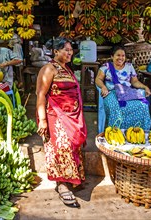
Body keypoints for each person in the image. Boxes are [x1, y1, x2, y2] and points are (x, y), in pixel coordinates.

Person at [36, 37, 87, 208]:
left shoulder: (67, 69)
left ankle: (70, 179)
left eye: (71, 50)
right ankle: (62, 184)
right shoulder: (49, 69)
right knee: (60, 150)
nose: (69, 53)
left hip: (71, 117)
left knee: (71, 149)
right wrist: (42, 119)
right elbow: (41, 94)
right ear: (56, 51)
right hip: (55, 117)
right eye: (66, 49)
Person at [95, 45, 151, 131]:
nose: (120, 58)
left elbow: (135, 81)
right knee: (114, 107)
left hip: (127, 93)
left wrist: (145, 87)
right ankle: (115, 133)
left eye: (123, 56)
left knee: (143, 106)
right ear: (112, 56)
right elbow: (98, 79)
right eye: (118, 55)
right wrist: (103, 87)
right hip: (111, 93)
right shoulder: (106, 67)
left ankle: (138, 132)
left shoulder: (129, 66)